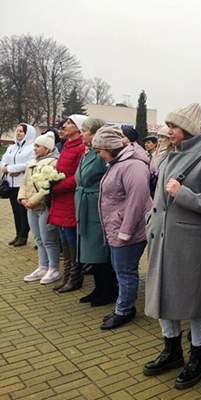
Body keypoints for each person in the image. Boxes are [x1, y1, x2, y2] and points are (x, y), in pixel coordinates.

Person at [143, 103, 201, 390]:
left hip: (190, 245)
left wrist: (184, 195)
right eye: (167, 125)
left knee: (195, 303)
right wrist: (149, 221)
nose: (168, 131)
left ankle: (199, 358)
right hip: (160, 240)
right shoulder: (167, 158)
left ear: (189, 130)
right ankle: (172, 351)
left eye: (174, 126)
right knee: (162, 295)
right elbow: (157, 198)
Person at [93, 126, 152, 330]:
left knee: (125, 272)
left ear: (109, 147)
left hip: (127, 230)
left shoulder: (132, 166)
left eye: (99, 149)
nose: (98, 154)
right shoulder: (117, 163)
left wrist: (125, 232)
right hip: (116, 227)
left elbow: (136, 201)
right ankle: (123, 305)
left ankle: (124, 310)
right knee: (121, 270)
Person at [75, 118, 118, 307]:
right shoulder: (89, 153)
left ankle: (109, 289)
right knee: (93, 253)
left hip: (97, 207)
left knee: (101, 251)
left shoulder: (102, 156)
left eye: (84, 131)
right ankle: (99, 288)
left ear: (95, 134)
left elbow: (109, 182)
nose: (81, 134)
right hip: (86, 204)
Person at [48, 114, 87, 293]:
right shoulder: (66, 146)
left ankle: (75, 276)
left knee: (71, 239)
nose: (65, 125)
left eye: (70, 123)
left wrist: (56, 187)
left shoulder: (81, 148)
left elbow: (79, 177)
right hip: (61, 198)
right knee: (63, 238)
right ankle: (66, 276)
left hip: (70, 198)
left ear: (79, 128)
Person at [18, 132, 60, 284]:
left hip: (43, 207)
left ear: (47, 148)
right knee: (38, 239)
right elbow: (24, 182)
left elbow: (48, 187)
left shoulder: (53, 163)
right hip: (30, 207)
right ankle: (43, 266)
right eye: (34, 145)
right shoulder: (32, 162)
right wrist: (22, 198)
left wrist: (33, 201)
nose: (34, 148)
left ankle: (54, 268)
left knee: (49, 240)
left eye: (37, 146)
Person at [1, 123, 36, 247]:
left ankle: (24, 235)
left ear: (28, 133)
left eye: (21, 131)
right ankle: (18, 234)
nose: (18, 133)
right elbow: (3, 161)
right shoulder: (12, 147)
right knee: (15, 211)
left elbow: (29, 163)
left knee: (22, 211)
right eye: (17, 131)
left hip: (22, 184)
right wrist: (7, 168)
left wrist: (11, 168)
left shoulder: (32, 148)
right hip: (11, 183)